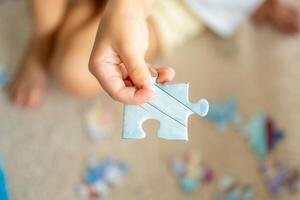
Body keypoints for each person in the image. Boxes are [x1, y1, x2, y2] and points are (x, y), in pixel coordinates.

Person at [8, 0, 299, 108]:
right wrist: (127, 8)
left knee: (73, 72)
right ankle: (40, 42)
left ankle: (81, 11)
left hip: (184, 7)